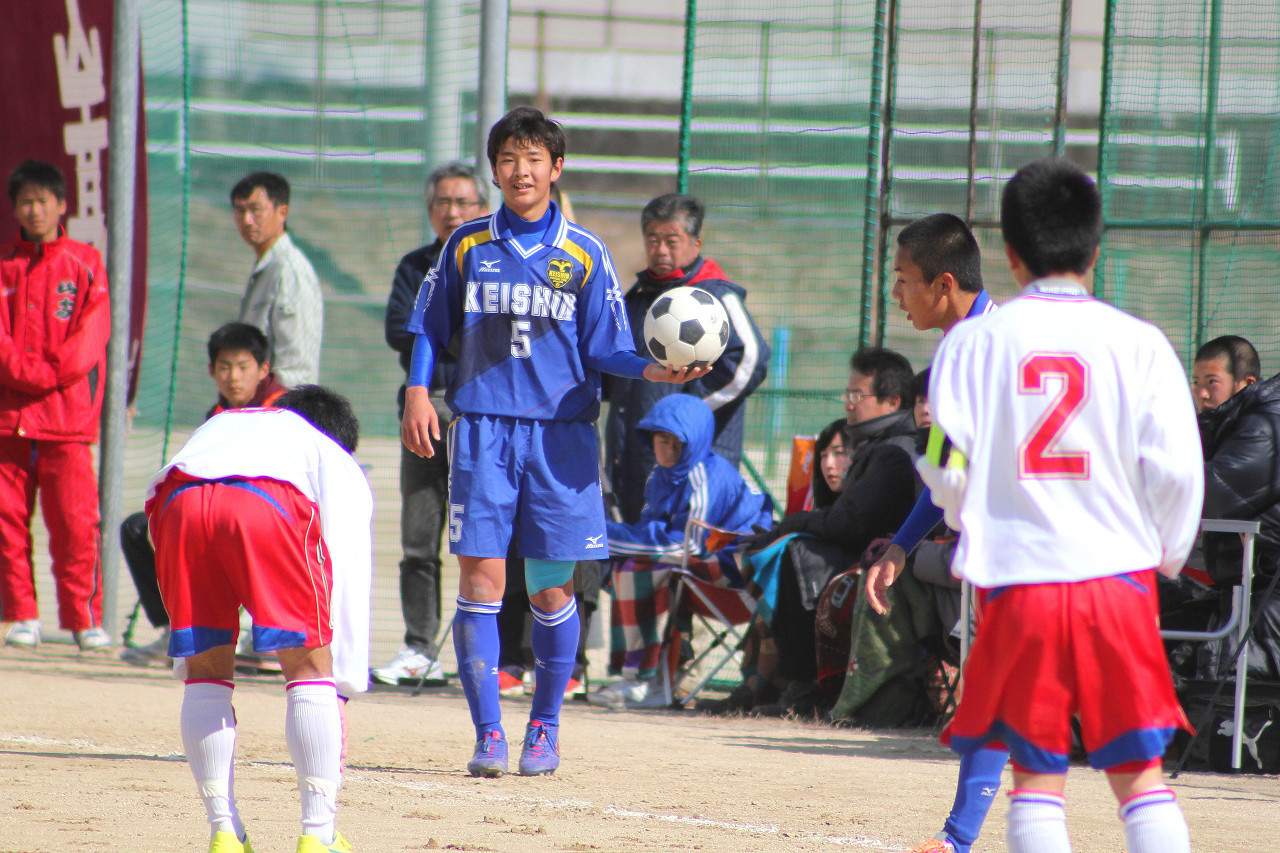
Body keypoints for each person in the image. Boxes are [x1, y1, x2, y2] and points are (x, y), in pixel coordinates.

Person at [874, 158, 1202, 853]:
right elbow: (1178, 473)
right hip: (1117, 580)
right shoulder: (1140, 343)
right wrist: (1164, 554)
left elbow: (950, 475)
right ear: (1096, 248)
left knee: (1038, 778)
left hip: (1020, 584)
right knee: (1140, 780)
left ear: (1011, 256)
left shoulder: (974, 345)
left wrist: (971, 528)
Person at [400, 106, 708, 778]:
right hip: (483, 431)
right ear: (496, 169)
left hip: (561, 439)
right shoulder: (467, 244)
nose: (520, 170)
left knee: (549, 590)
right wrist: (419, 393)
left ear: (556, 168)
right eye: (508, 158)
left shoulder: (586, 253)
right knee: (481, 581)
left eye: (533, 158)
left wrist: (656, 367)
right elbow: (429, 325)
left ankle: (544, 726)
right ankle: (487, 734)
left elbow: (606, 347)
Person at [146, 386, 372, 853]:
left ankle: (224, 833)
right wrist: (340, 681)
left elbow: (158, 491)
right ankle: (318, 835)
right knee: (307, 669)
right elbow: (347, 571)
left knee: (206, 673)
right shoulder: (333, 456)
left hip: (176, 502)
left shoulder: (225, 422)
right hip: (263, 501)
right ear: (339, 440)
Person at [860, 214, 1000, 853]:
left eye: (903, 280)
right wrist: (899, 546)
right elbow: (948, 469)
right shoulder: (979, 341)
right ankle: (958, 838)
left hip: (1038, 551)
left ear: (944, 284)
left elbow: (952, 470)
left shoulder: (972, 352)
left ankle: (957, 840)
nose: (896, 294)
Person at [742, 347, 919, 717]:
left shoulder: (892, 451)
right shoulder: (878, 444)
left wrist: (793, 523)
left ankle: (807, 687)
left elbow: (849, 523)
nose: (849, 404)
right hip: (867, 551)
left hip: (887, 563)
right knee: (793, 547)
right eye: (847, 395)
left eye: (857, 396)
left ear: (892, 401)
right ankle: (761, 687)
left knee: (797, 551)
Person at [372, 161, 489, 686]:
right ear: (429, 209)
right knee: (420, 538)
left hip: (482, 415)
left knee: (488, 538)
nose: (453, 212)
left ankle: (495, 654)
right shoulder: (413, 266)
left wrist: (445, 329)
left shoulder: (494, 262)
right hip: (423, 411)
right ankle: (420, 647)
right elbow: (402, 330)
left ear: (482, 208)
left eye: (463, 202)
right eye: (443, 202)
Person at [586, 394, 773, 709]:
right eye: (662, 440)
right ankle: (637, 677)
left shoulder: (705, 477)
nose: (670, 451)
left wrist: (599, 539)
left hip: (744, 574)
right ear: (650, 439)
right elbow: (653, 531)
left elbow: (686, 546)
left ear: (697, 442)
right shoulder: (659, 477)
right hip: (702, 566)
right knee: (630, 566)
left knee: (634, 569)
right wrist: (611, 541)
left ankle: (647, 681)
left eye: (679, 443)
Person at [120, 322, 288, 666]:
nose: (234, 378)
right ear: (211, 371)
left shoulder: (284, 411)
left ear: (263, 370)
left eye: (243, 367)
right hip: (215, 514)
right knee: (138, 528)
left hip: (267, 519)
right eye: (225, 368)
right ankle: (178, 630)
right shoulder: (216, 416)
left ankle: (270, 637)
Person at [603, 193, 770, 523]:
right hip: (633, 458)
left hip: (691, 467)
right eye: (653, 239)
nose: (661, 249)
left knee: (683, 559)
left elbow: (751, 360)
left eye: (671, 240)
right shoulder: (636, 300)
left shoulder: (715, 297)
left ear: (696, 242)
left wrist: (688, 415)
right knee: (637, 553)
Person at [0, 159, 111, 651]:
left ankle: (84, 618)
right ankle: (22, 615)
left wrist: (48, 374)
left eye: (43, 200)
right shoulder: (3, 265)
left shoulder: (85, 262)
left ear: (62, 205)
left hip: (67, 421)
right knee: (6, 523)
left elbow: (91, 336)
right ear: (15, 209)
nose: (35, 209)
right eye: (26, 201)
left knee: (76, 525)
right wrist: (28, 375)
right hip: (9, 420)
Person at [697, 416, 850, 716]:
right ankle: (758, 686)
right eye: (823, 456)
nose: (830, 464)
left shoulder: (863, 499)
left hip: (844, 577)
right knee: (772, 574)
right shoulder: (822, 503)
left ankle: (771, 686)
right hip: (810, 575)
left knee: (782, 569)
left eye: (839, 453)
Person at [233, 171, 323, 387]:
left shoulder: (290, 271)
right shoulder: (268, 266)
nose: (247, 220)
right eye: (240, 210)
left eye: (255, 210)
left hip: (278, 411)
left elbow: (297, 369)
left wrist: (271, 408)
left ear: (282, 212)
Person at [1192, 334, 1259, 414]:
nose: (1202, 394)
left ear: (1248, 384)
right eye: (1196, 383)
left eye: (1212, 381)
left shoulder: (1262, 423)